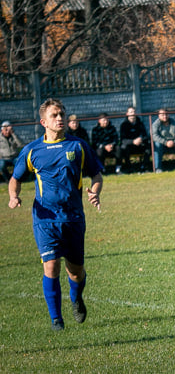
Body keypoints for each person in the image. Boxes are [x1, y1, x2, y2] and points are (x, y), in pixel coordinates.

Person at [7, 98, 102, 331]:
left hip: (73, 218)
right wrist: (13, 196)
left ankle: (76, 297)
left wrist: (95, 192)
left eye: (62, 114)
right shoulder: (32, 151)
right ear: (43, 122)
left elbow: (96, 174)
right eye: (54, 115)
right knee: (51, 266)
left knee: (76, 272)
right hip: (44, 219)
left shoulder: (77, 146)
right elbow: (15, 179)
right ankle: (56, 321)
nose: (60, 118)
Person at [151, 109, 175, 173]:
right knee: (157, 145)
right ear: (159, 116)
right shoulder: (155, 124)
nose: (165, 116)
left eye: (166, 114)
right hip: (162, 144)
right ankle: (158, 168)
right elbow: (154, 136)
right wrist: (165, 142)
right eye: (162, 115)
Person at [119, 107, 150, 173]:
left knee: (149, 146)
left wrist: (140, 139)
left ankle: (144, 167)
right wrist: (133, 141)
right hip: (130, 146)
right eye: (131, 112)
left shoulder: (140, 124)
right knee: (123, 147)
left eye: (134, 112)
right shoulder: (123, 125)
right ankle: (129, 168)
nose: (133, 113)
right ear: (127, 114)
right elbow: (123, 140)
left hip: (140, 144)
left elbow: (145, 136)